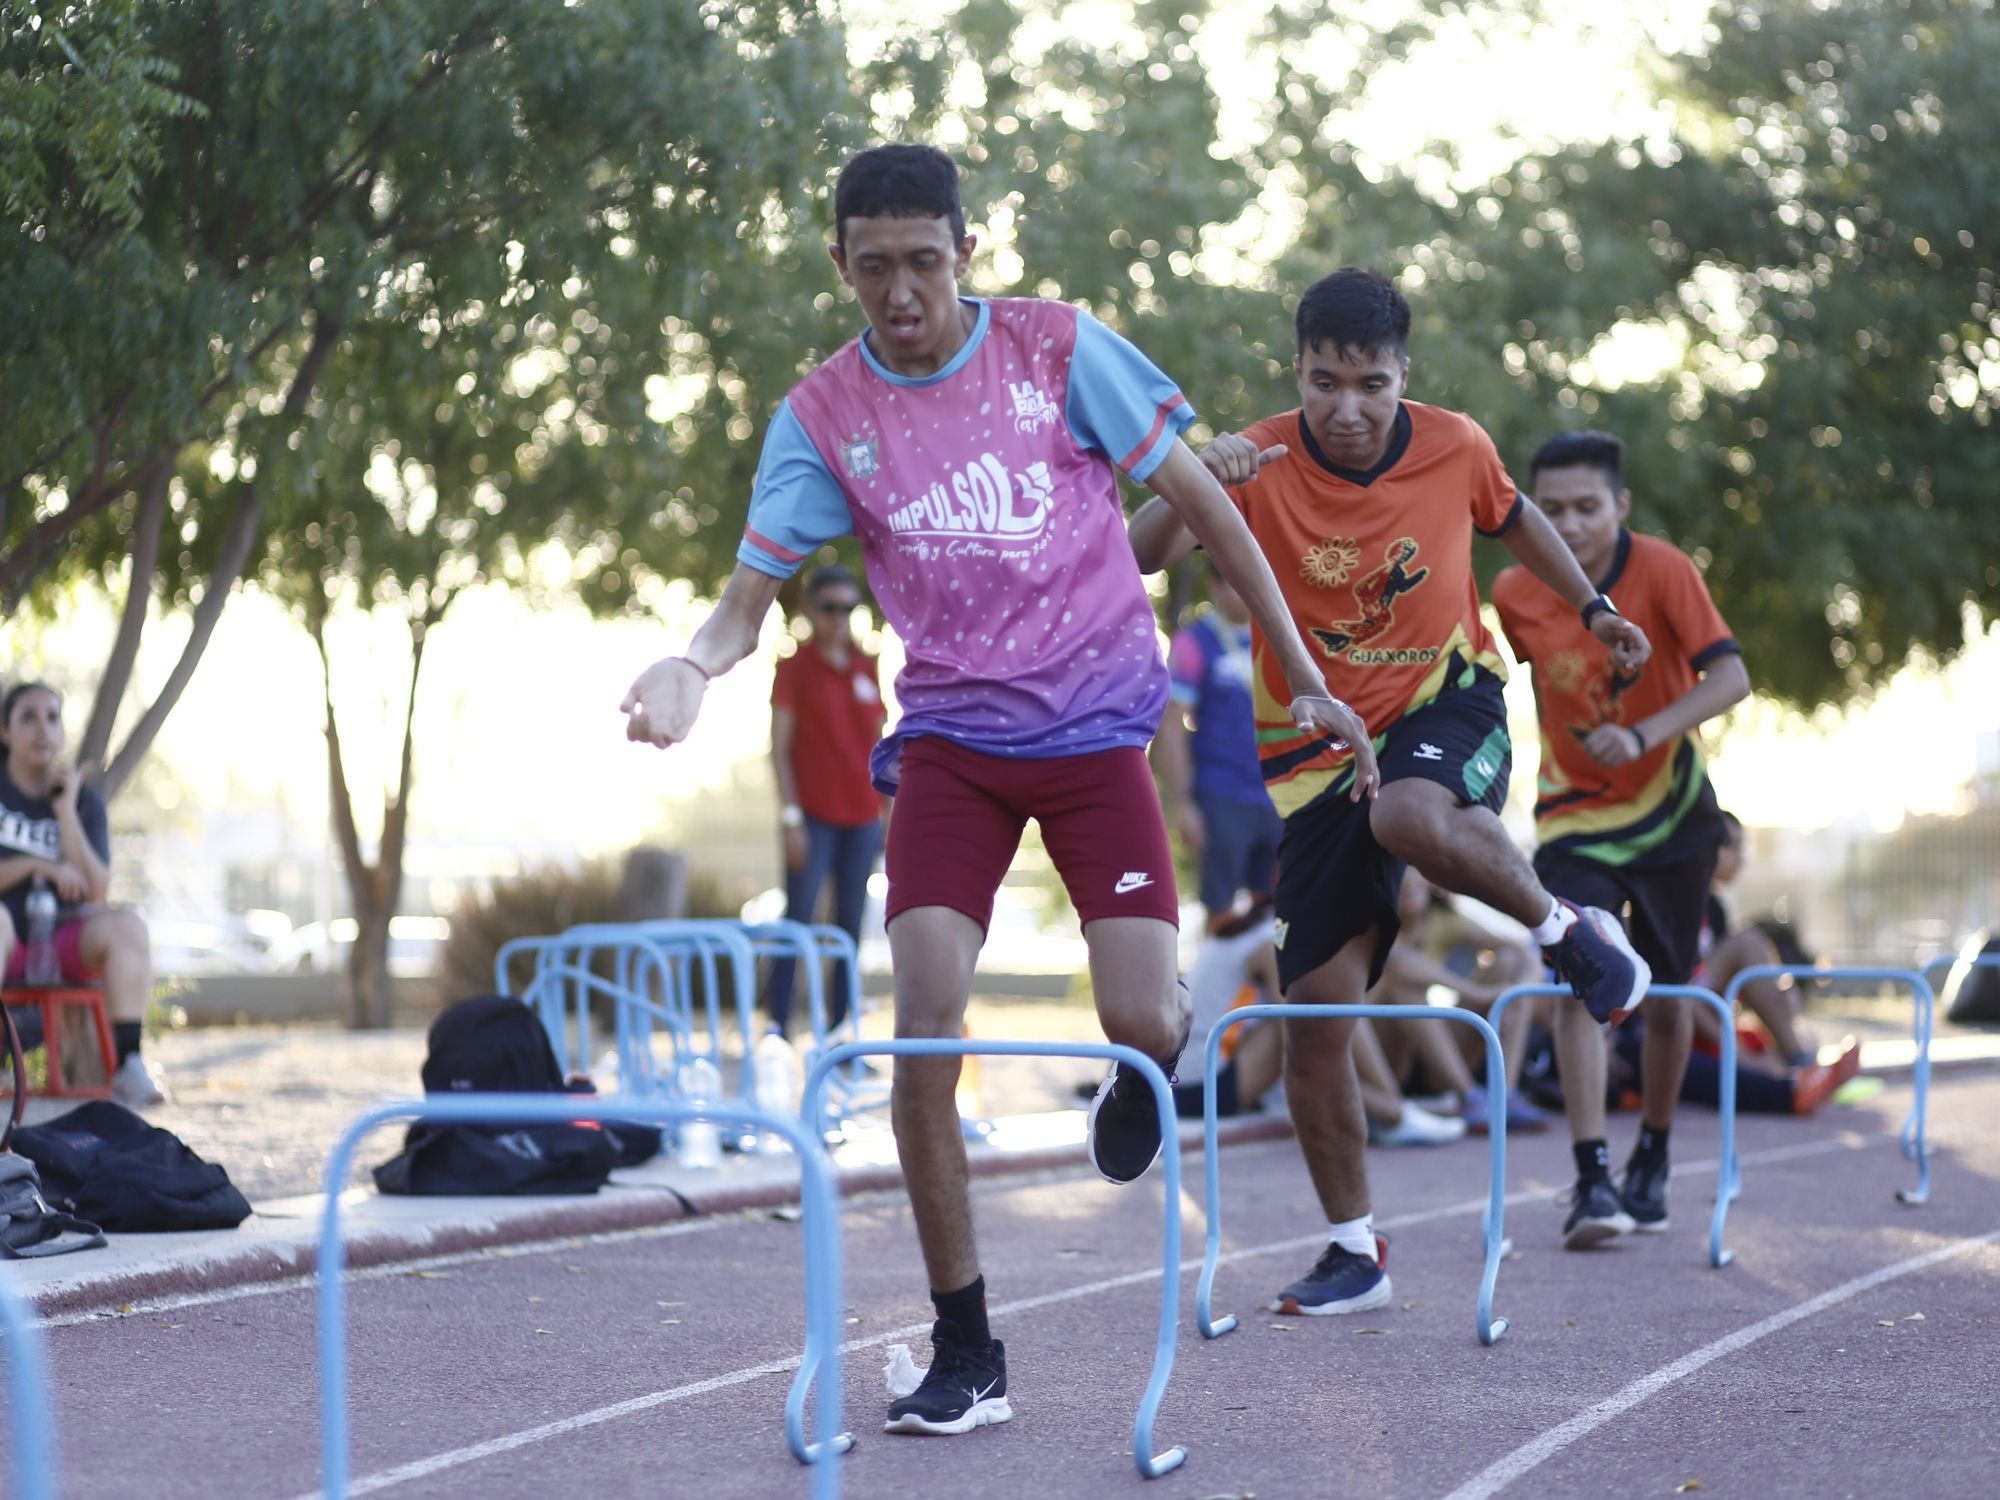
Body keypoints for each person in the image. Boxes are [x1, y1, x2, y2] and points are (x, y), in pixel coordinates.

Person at [621, 144, 1374, 1435]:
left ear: (967, 251)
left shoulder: (1062, 350)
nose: (901, 291)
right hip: (957, 747)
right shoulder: (822, 416)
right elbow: (746, 606)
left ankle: (1154, 1057)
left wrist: (1300, 675)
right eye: (875, 269)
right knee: (924, 1022)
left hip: (1095, 739)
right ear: (842, 268)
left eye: (924, 261)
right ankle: (968, 1349)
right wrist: (692, 666)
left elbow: (1214, 511)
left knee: (1141, 1015)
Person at [1127, 266, 1653, 1318]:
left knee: (1407, 814)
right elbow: (1134, 559)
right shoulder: (1254, 455)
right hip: (1314, 754)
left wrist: (1592, 608)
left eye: (1369, 383)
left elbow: (1513, 522)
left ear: (1401, 374)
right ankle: (1353, 1252)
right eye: (1325, 382)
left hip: (1442, 701)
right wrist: (1184, 474)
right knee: (1313, 1029)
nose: (1347, 408)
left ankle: (1567, 928)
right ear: (1299, 373)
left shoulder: (1456, 443)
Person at [1491, 428, 1752, 1247]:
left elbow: (1732, 677)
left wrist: (1643, 737)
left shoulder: (1665, 569)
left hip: (1673, 811)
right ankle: (1592, 1177)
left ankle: (1655, 1156)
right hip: (1572, 814)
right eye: (1552, 509)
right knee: (1584, 970)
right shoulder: (1516, 590)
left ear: (1621, 505)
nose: (1569, 525)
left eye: (1587, 508)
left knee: (1671, 989)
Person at [0, 681, 165, 1106]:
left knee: (127, 926)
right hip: (8, 939)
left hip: (63, 941)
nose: (42, 729)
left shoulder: (83, 803)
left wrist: (65, 811)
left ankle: (128, 1063)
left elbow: (96, 888)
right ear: (5, 732)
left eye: (52, 718)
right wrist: (39, 865)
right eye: (28, 717)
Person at [763, 563, 887, 1039]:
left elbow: (880, 746)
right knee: (798, 918)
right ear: (812, 610)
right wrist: (791, 818)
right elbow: (778, 749)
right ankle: (777, 1027)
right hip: (811, 817)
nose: (839, 618)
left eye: (848, 609)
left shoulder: (866, 664)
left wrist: (888, 814)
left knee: (849, 926)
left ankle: (839, 1033)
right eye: (830, 608)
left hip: (861, 818)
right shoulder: (793, 668)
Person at [1155, 562, 1283, 928]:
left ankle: (1263, 986)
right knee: (1221, 908)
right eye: (1233, 583)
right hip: (1221, 794)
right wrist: (1183, 803)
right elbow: (1172, 726)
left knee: (1278, 909)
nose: (1243, 593)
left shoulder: (1281, 636)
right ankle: (1216, 983)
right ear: (1214, 585)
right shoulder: (1195, 642)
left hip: (1280, 793)